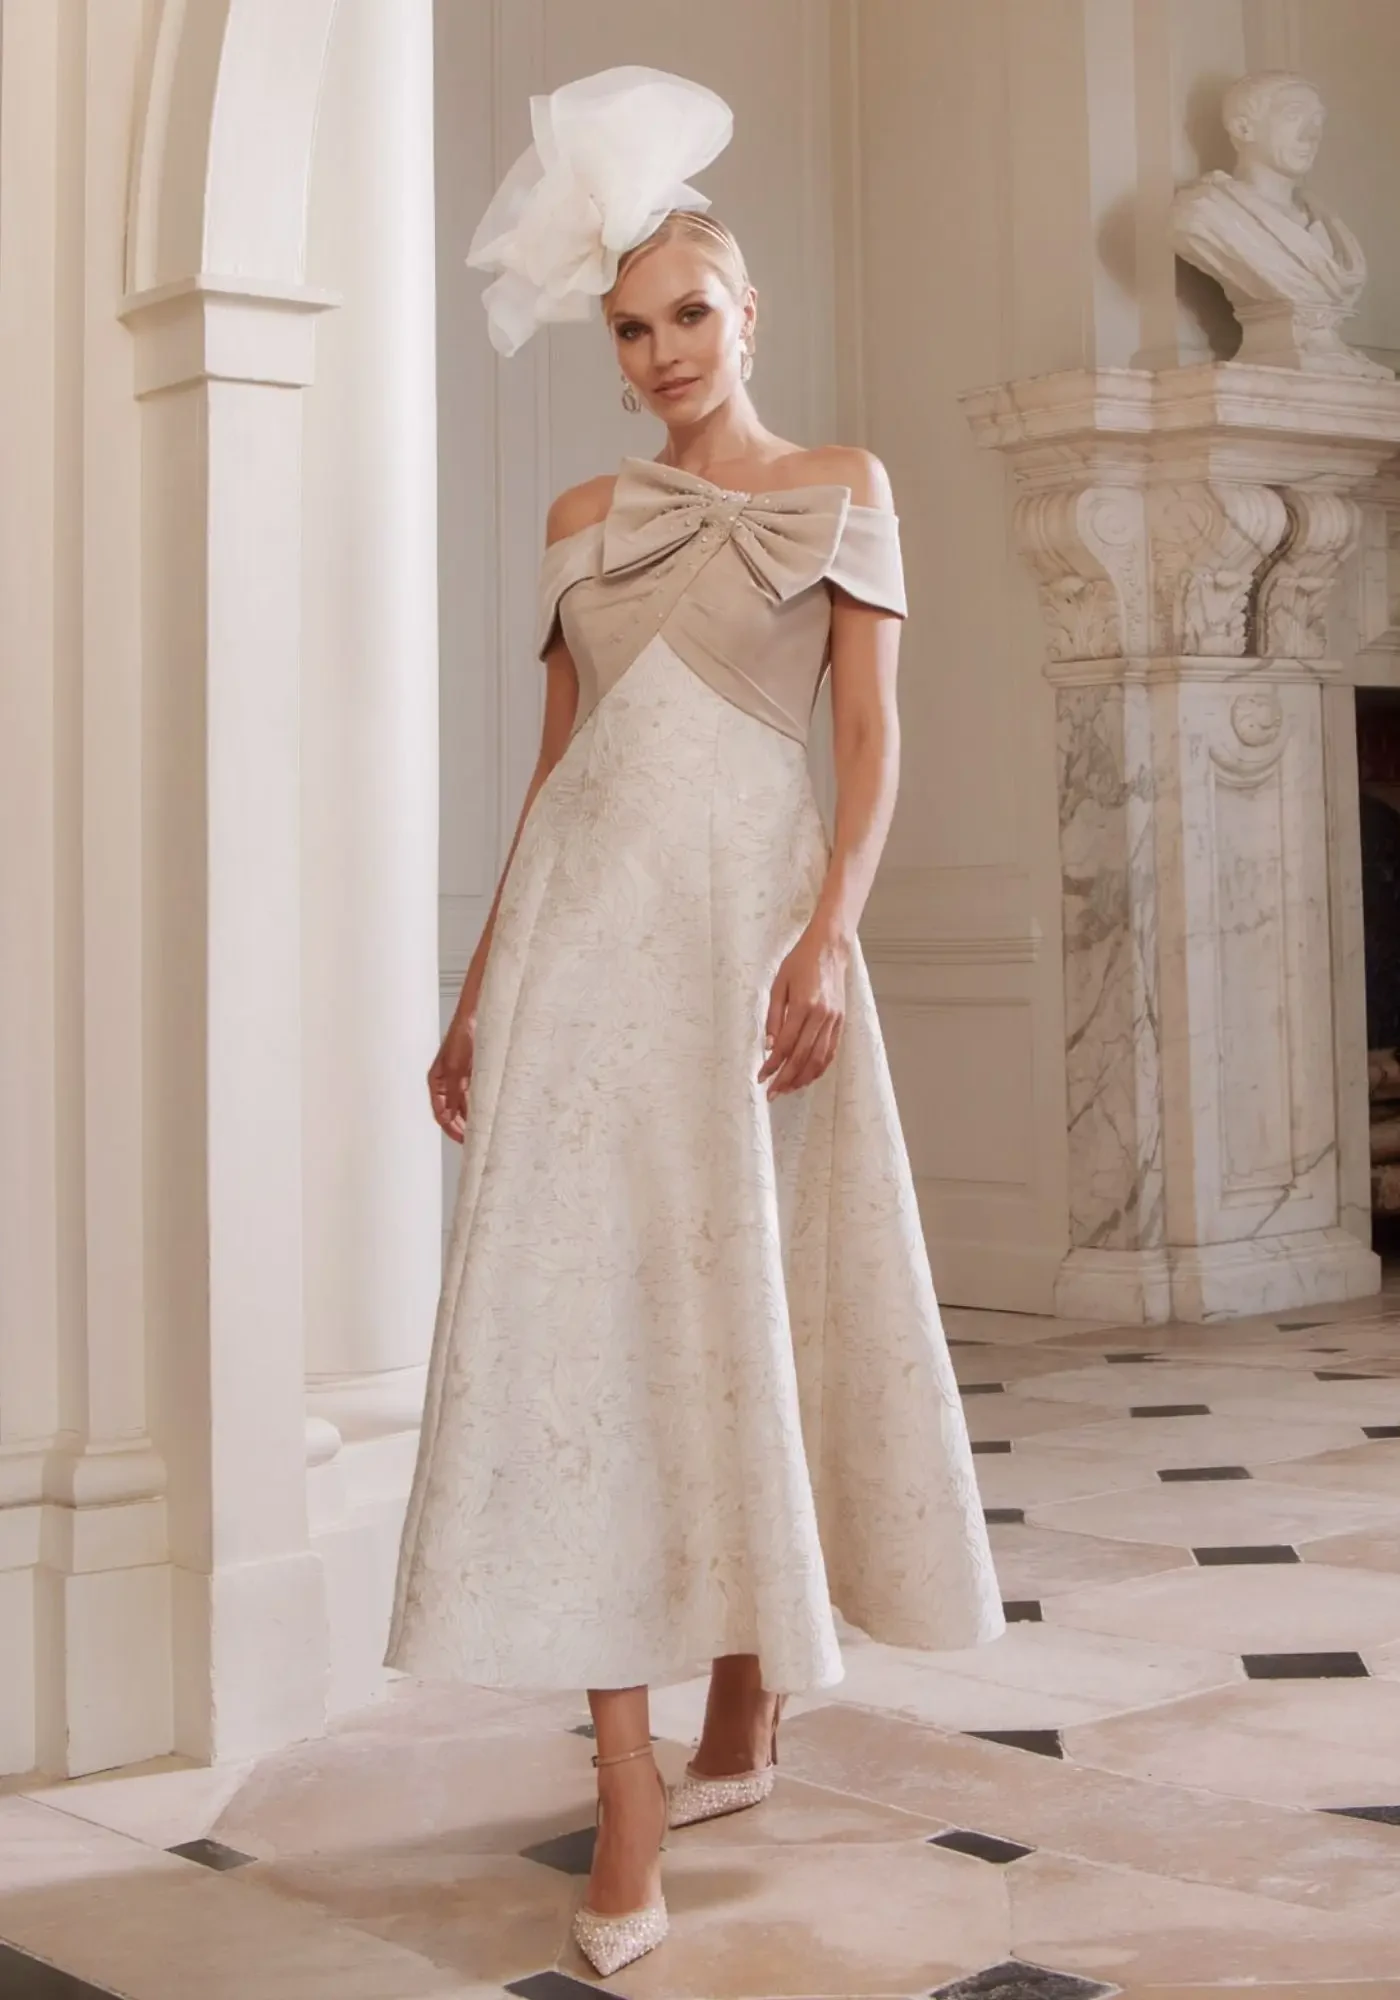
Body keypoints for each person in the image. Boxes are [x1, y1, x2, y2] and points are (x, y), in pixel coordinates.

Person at [384, 65, 1003, 1978]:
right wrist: (479, 987)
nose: (657, 350)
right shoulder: (579, 515)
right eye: (629, 324)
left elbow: (876, 745)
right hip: (581, 950)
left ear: (749, 315)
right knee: (583, 1318)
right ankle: (628, 1776)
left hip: (745, 938)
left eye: (686, 316)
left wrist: (826, 939)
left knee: (742, 1296)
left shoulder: (845, 491)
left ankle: (747, 1697)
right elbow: (549, 773)